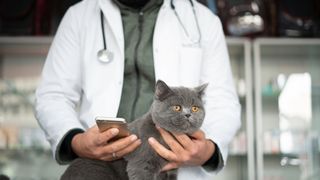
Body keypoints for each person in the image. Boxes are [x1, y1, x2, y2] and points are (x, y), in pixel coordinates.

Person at [34, 0, 241, 179]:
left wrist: (208, 151)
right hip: (99, 166)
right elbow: (53, 95)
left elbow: (223, 101)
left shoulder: (202, 20)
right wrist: (76, 141)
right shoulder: (80, 16)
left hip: (174, 171)